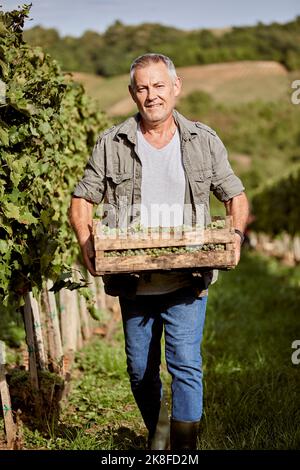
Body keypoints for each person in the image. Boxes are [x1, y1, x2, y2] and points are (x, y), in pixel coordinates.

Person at [69, 53, 249, 450]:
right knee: (139, 371)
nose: (152, 95)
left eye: (159, 86)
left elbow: (235, 194)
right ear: (133, 93)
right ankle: (159, 433)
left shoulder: (204, 140)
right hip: (133, 280)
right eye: (143, 88)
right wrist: (87, 244)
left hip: (188, 279)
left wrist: (234, 234)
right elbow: (82, 199)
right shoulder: (111, 143)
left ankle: (184, 451)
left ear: (176, 87)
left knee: (185, 364)